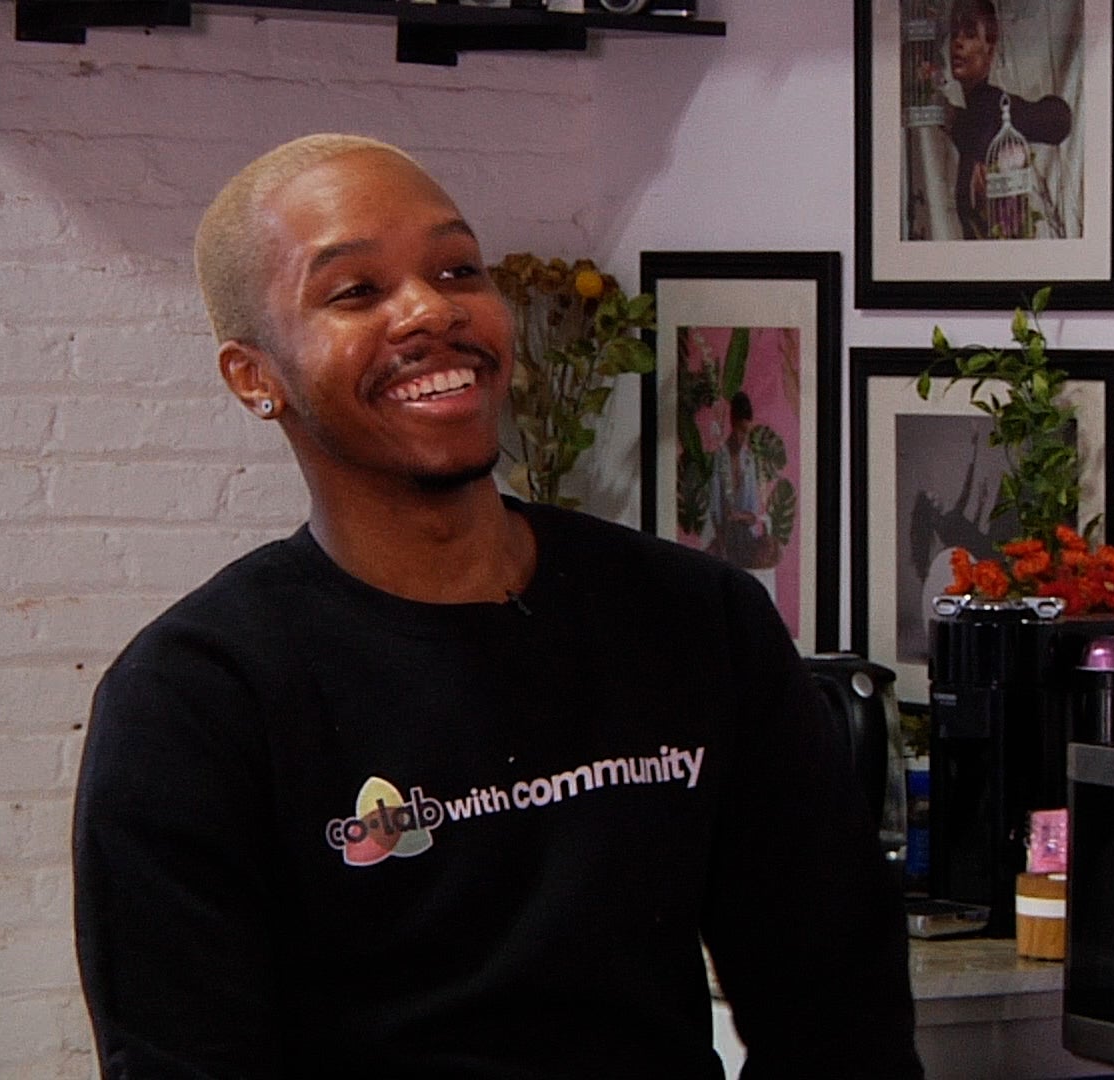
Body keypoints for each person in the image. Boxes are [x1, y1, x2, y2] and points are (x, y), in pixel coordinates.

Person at [71, 133, 923, 1079]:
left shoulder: (695, 620)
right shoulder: (194, 699)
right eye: (356, 291)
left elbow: (841, 1013)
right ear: (253, 376)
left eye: (457, 268)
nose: (432, 310)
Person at [933, 0, 1073, 239]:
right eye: (954, 34)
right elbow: (958, 120)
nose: (958, 43)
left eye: (969, 34)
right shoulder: (972, 115)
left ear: (989, 49)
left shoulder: (994, 105)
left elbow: (1059, 120)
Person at [706, 390, 777, 572]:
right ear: (732, 424)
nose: (742, 437)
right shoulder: (720, 457)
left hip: (744, 539)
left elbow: (752, 513)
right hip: (723, 536)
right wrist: (721, 541)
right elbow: (714, 505)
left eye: (746, 432)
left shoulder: (748, 461)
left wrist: (740, 518)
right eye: (740, 430)